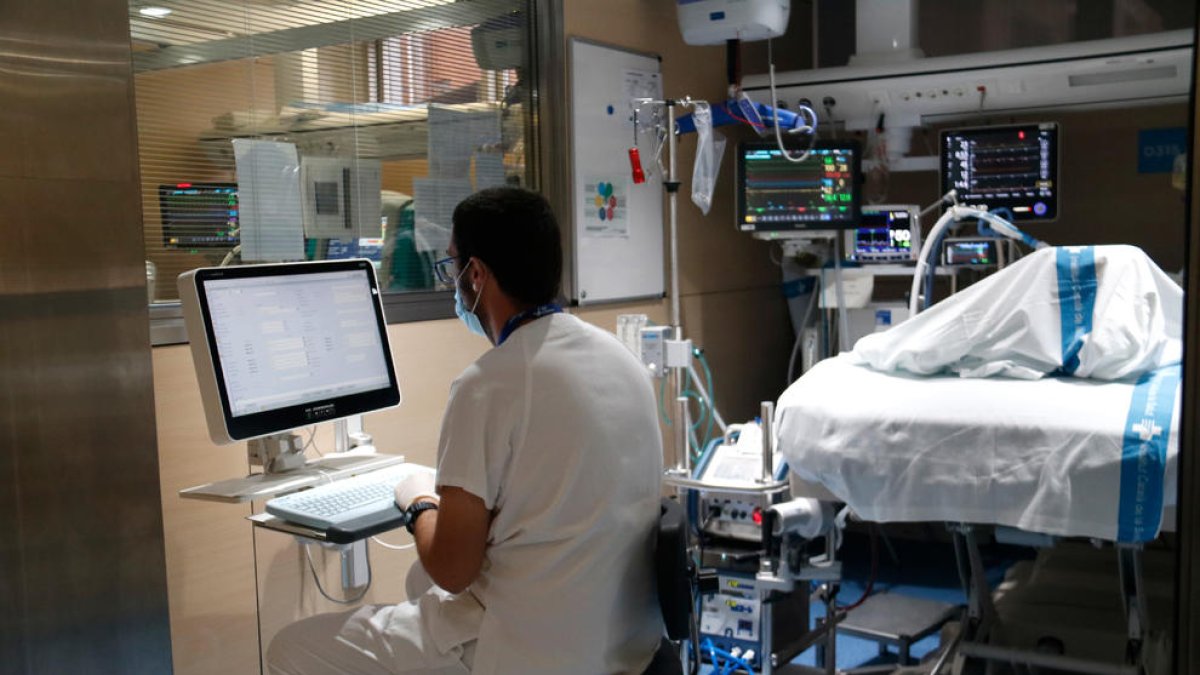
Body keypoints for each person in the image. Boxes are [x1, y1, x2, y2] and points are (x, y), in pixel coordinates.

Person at [267, 186, 665, 674]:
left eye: (452, 266)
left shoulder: (487, 385)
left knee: (290, 647)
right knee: (417, 580)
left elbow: (454, 571)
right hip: (621, 640)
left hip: (530, 650)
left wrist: (418, 504)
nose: (453, 282)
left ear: (476, 274)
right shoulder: (619, 357)